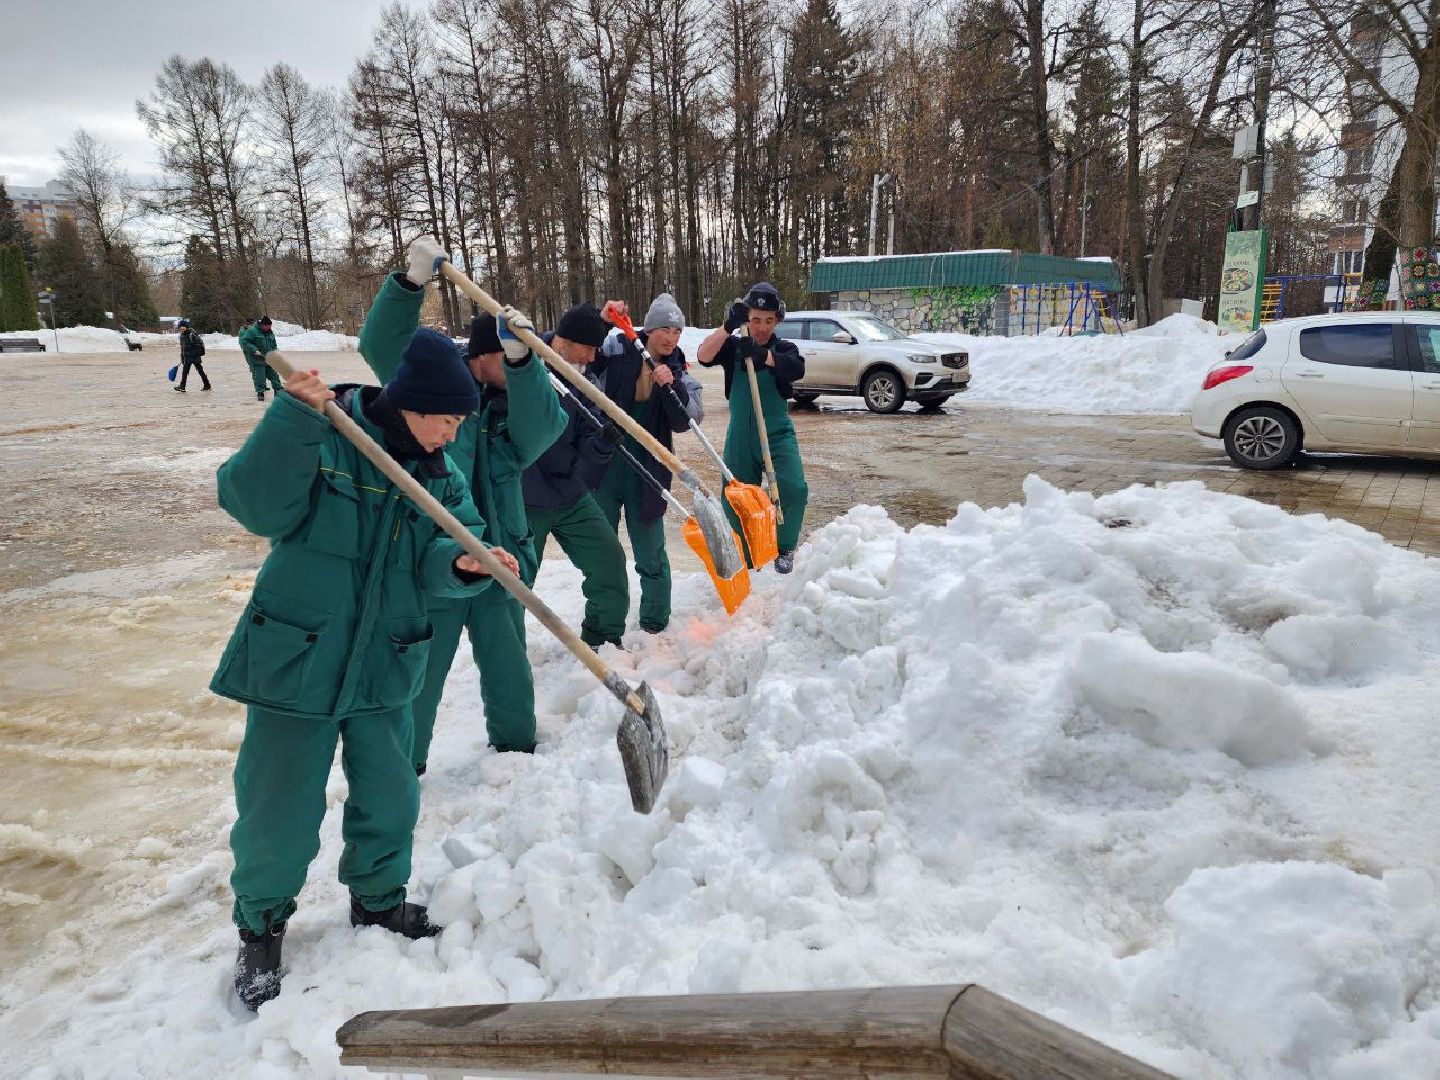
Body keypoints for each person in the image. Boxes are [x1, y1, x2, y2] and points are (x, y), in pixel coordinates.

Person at [211, 274, 520, 1012]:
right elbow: (250, 503)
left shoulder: (440, 479)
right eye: (447, 421)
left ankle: (378, 901)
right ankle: (261, 929)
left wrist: (465, 563)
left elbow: (440, 561)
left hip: (388, 658)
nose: (454, 435)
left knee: (390, 796)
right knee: (277, 807)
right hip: (299, 655)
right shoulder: (328, 438)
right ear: (414, 406)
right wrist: (290, 421)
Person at [362, 239, 567, 773]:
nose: (515, 362)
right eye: (507, 354)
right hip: (435, 559)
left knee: (508, 667)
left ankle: (517, 754)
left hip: (500, 556)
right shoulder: (433, 399)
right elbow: (381, 346)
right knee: (423, 674)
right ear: (481, 355)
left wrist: (525, 363)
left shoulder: (511, 409)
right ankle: (408, 770)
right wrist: (409, 282)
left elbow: (545, 428)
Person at [522, 303, 630, 648]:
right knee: (513, 581)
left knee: (610, 562)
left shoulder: (585, 380)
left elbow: (587, 434)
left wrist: (601, 443)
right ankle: (505, 651)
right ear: (565, 341)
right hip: (522, 497)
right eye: (589, 347)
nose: (594, 355)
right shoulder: (524, 364)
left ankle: (602, 636)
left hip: (569, 494)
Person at [590, 293, 691, 634]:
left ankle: (654, 620)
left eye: (676, 331)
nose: (671, 337)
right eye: (664, 328)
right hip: (605, 465)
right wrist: (602, 321)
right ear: (648, 329)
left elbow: (681, 422)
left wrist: (670, 386)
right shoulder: (619, 349)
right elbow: (583, 360)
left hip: (648, 472)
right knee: (601, 550)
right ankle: (602, 622)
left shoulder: (676, 366)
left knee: (650, 552)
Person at [695, 281, 809, 574]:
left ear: (777, 320)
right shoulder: (732, 346)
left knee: (792, 487)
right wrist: (726, 328)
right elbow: (703, 356)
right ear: (747, 319)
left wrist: (764, 357)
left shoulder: (784, 348)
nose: (761, 327)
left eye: (768, 321)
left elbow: (796, 368)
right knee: (736, 493)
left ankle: (784, 547)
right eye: (755, 320)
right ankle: (746, 551)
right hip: (741, 435)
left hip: (776, 432)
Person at [239, 315, 282, 402]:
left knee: (274, 375)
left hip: (268, 358)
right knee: (260, 377)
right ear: (263, 325)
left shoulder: (269, 331)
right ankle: (260, 393)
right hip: (257, 359)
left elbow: (273, 343)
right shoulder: (252, 331)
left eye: (270, 327)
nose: (269, 328)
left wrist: (274, 351)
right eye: (268, 327)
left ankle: (278, 391)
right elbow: (244, 341)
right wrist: (254, 349)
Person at [174, 319, 211, 392]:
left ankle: (207, 385)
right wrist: (182, 358)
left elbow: (198, 347)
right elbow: (183, 349)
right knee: (186, 371)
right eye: (180, 327)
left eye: (183, 327)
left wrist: (192, 355)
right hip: (187, 357)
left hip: (194, 357)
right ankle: (183, 386)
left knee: (200, 371)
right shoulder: (182, 335)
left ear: (186, 327)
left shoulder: (192, 334)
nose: (182, 328)